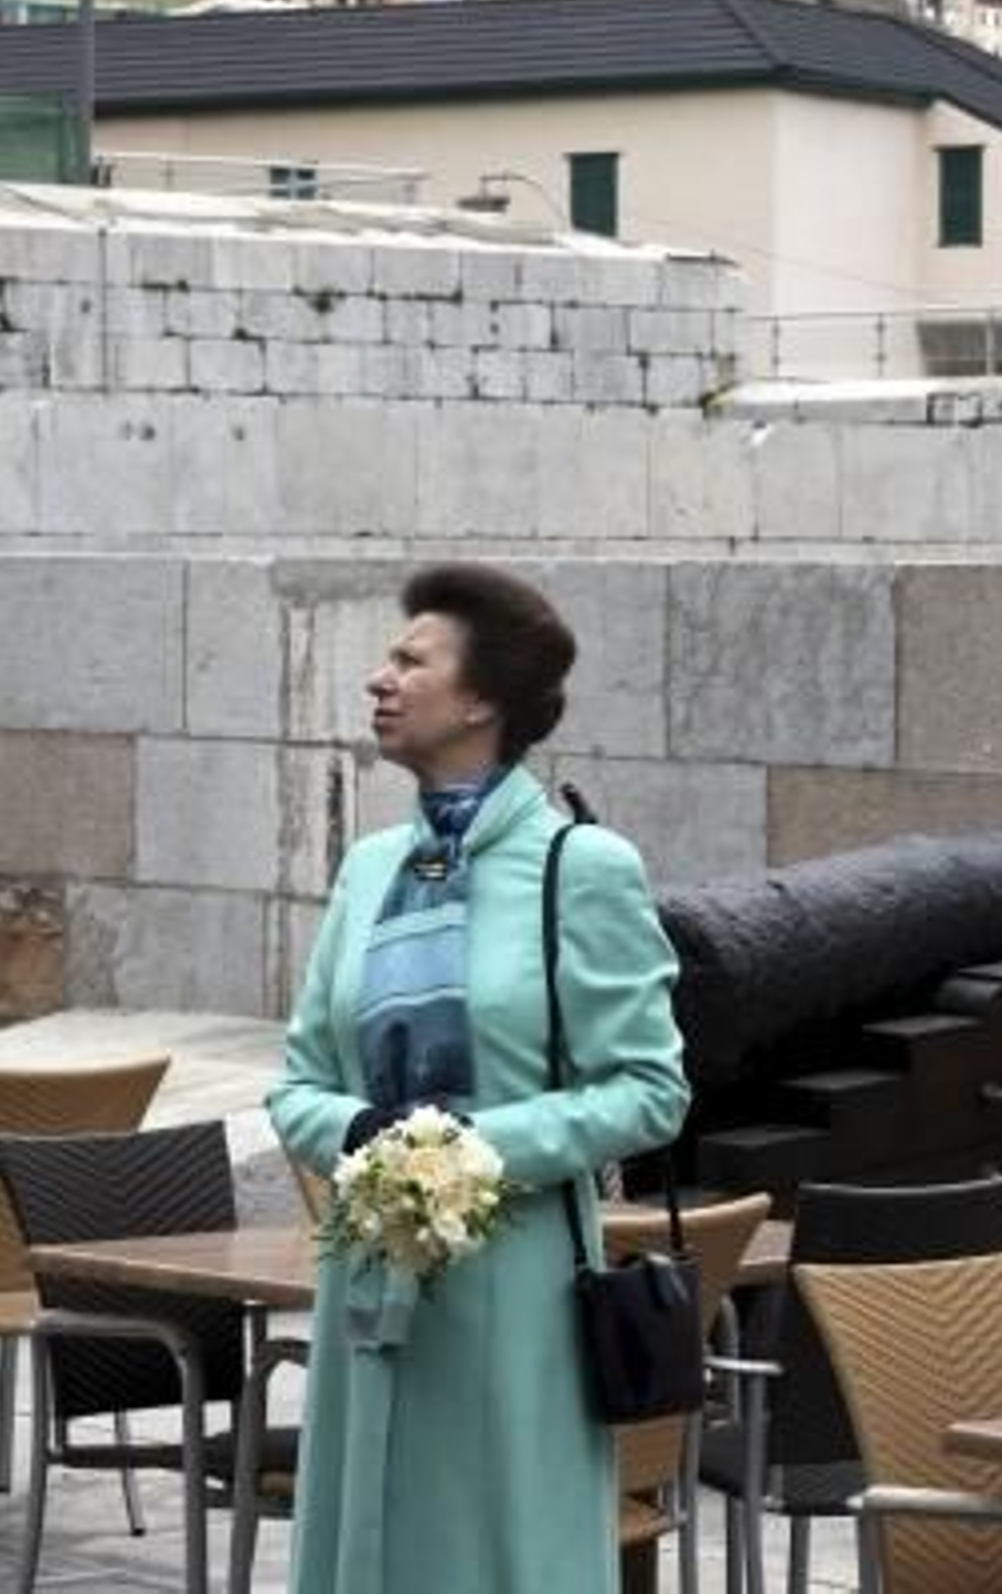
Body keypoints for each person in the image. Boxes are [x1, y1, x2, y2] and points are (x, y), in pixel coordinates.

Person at [269, 560, 689, 1594]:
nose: (380, 678)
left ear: (482, 700)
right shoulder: (371, 869)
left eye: (411, 660)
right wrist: (376, 1137)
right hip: (366, 1276)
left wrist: (466, 1154)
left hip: (516, 1286)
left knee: (496, 1553)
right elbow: (297, 1082)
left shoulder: (580, 868)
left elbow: (648, 1086)